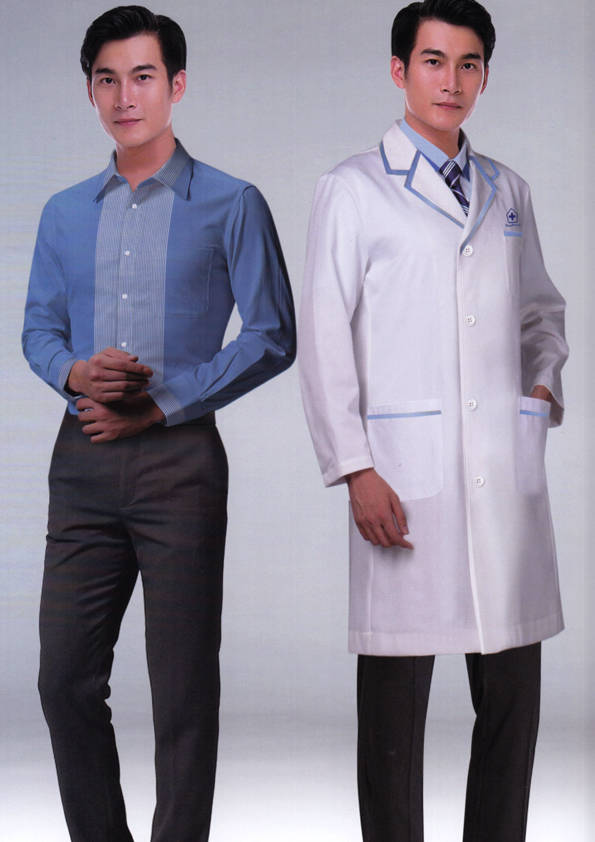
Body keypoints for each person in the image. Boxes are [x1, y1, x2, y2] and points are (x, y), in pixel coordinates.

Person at [22, 6, 295, 841]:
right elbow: (38, 328)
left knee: (181, 690)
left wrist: (162, 401)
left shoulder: (231, 203)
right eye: (106, 79)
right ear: (90, 91)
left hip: (180, 465)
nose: (124, 96)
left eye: (142, 76)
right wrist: (74, 373)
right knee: (63, 680)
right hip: (83, 460)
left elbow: (271, 334)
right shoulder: (63, 211)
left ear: (176, 85)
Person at [298, 1, 568, 840]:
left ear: (483, 75)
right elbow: (323, 336)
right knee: (393, 711)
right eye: (432, 61)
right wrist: (354, 467)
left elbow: (539, 310)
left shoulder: (508, 190)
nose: (450, 81)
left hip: (501, 482)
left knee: (511, 701)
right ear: (398, 70)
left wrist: (540, 388)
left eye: (467, 64)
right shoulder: (351, 190)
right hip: (400, 477)